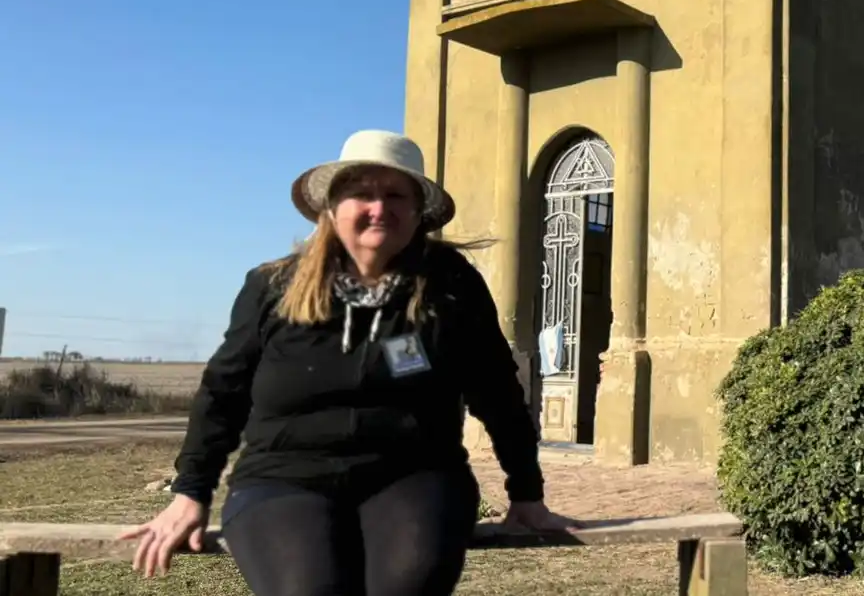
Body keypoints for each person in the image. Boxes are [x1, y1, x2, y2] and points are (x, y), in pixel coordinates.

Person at [120, 129, 576, 594]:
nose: (379, 208)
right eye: (362, 193)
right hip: (283, 479)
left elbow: (497, 391)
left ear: (419, 212)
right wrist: (190, 491)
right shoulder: (273, 287)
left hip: (416, 475)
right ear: (332, 208)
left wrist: (526, 491)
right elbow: (223, 392)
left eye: (396, 194)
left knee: (408, 582)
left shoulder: (451, 286)